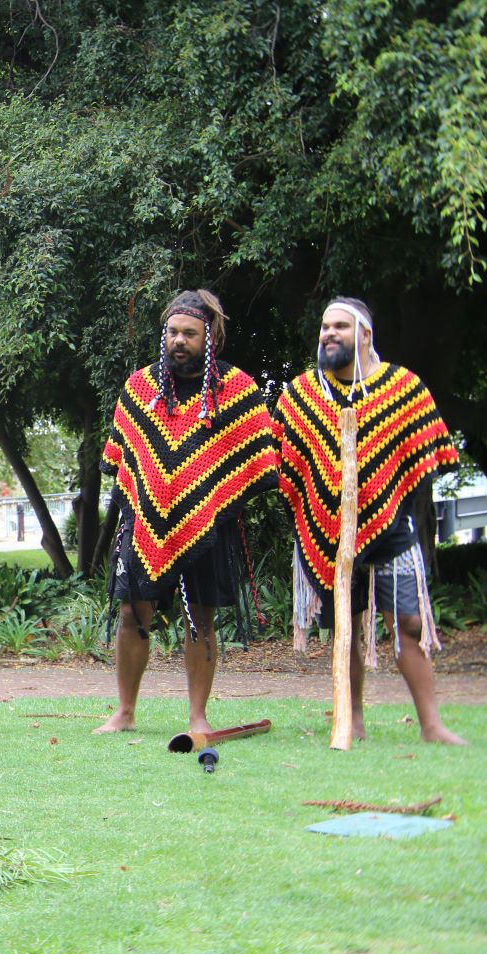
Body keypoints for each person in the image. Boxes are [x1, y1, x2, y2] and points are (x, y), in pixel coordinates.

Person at [275, 297, 465, 744]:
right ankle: (352, 719)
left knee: (411, 625)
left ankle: (432, 726)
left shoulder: (402, 388)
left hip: (391, 532)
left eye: (339, 326)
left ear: (364, 334)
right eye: (324, 327)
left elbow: (421, 457)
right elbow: (283, 466)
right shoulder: (301, 395)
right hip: (324, 536)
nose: (328, 334)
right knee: (345, 629)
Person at [95, 289, 279, 735]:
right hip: (144, 524)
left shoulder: (235, 390)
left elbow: (256, 456)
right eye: (173, 332)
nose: (179, 340)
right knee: (131, 613)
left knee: (202, 616)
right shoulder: (141, 388)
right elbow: (126, 458)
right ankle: (124, 711)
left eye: (190, 333)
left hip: (208, 523)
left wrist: (212, 498)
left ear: (210, 334)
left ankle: (198, 716)